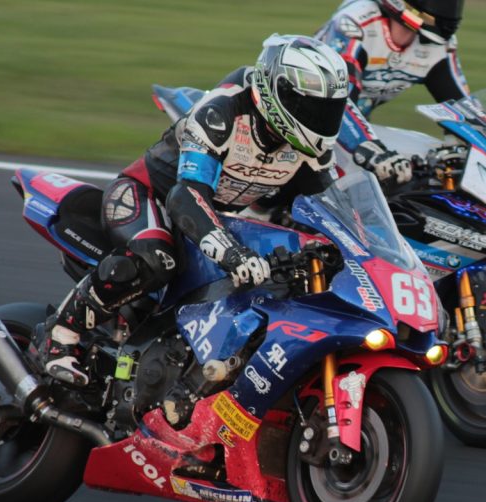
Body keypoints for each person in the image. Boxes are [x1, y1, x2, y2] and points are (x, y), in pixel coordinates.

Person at [41, 35, 350, 387]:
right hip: (147, 196)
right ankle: (61, 335)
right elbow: (185, 196)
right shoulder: (223, 112)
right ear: (274, 92)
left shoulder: (311, 149)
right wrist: (233, 253)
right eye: (310, 107)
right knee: (156, 258)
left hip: (217, 215)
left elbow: (331, 210)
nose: (321, 119)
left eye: (329, 109)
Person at [317, 0, 468, 183]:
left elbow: (463, 108)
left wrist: (470, 148)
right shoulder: (354, 23)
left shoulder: (440, 44)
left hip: (354, 129)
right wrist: (367, 147)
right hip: (306, 125)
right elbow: (336, 102)